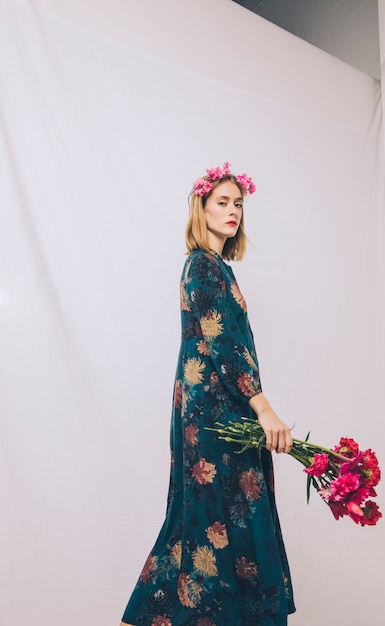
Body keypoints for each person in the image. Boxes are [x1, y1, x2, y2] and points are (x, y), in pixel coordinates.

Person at [120, 163, 296, 625]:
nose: (233, 210)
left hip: (222, 413)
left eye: (238, 203)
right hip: (216, 416)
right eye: (222, 202)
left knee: (220, 520)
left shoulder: (218, 267)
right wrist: (265, 410)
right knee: (208, 519)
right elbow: (225, 343)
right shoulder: (202, 264)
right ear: (201, 208)